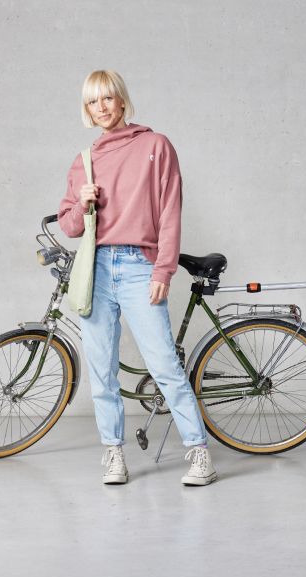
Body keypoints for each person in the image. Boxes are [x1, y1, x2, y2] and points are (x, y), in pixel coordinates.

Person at [57, 70, 217, 487]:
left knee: (164, 365)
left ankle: (199, 454)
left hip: (137, 266)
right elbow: (70, 226)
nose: (102, 107)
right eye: (94, 101)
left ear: (123, 101)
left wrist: (163, 268)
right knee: (102, 372)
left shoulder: (155, 146)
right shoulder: (84, 161)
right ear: (87, 110)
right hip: (96, 272)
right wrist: (83, 203)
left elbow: (170, 212)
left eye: (108, 98)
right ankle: (114, 455)